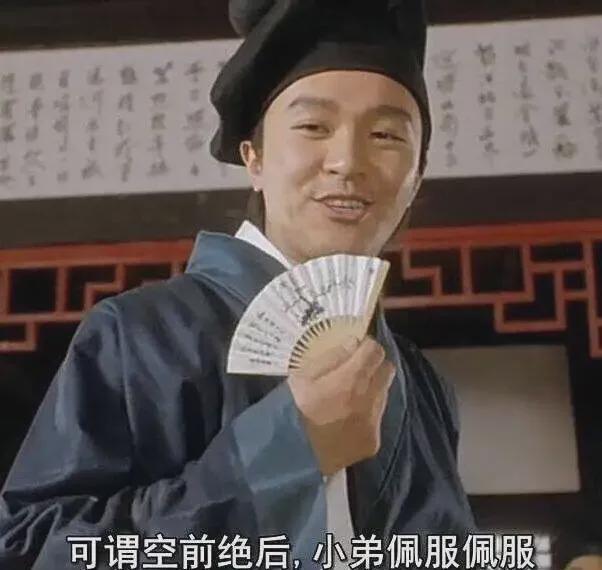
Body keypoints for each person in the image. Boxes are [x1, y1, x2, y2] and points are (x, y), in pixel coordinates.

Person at [0, 0, 476, 568]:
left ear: (417, 175)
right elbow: (31, 547)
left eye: (386, 135)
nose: (347, 162)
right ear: (255, 158)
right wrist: (288, 449)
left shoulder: (421, 382)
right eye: (313, 127)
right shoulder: (142, 333)